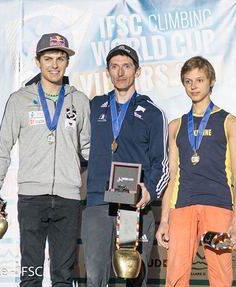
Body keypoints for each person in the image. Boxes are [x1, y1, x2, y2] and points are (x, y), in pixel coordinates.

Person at [0, 32, 90, 287]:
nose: (54, 64)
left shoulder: (80, 100)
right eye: (48, 58)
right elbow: (2, 148)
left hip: (68, 199)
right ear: (38, 61)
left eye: (60, 58)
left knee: (63, 277)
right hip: (32, 199)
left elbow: (88, 149)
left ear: (67, 62)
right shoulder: (20, 100)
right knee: (31, 275)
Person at [155, 56, 236, 287]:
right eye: (188, 81)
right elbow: (172, 174)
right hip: (182, 206)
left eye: (199, 80)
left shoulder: (230, 122)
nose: (193, 86)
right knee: (175, 277)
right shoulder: (175, 126)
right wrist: (164, 218)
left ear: (212, 81)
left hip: (218, 205)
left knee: (221, 277)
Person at [82, 44, 169, 287]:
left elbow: (161, 164)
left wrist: (148, 192)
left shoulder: (153, 113)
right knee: (95, 279)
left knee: (133, 277)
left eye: (127, 66)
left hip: (133, 207)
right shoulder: (93, 107)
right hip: (98, 204)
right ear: (107, 72)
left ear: (137, 71)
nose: (121, 72)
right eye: (115, 67)